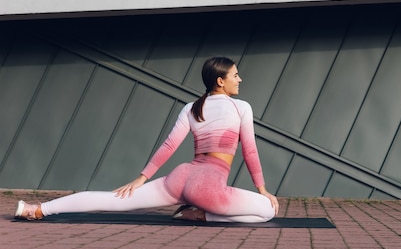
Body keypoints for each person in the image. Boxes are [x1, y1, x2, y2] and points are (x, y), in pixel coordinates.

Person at [14, 56, 279, 223]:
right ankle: (200, 214)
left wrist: (141, 179)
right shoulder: (241, 107)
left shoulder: (191, 107)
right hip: (207, 186)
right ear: (221, 81)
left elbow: (169, 145)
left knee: (110, 201)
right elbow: (250, 153)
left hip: (181, 177)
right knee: (266, 211)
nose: (239, 79)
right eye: (235, 75)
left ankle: (36, 210)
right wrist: (262, 190)